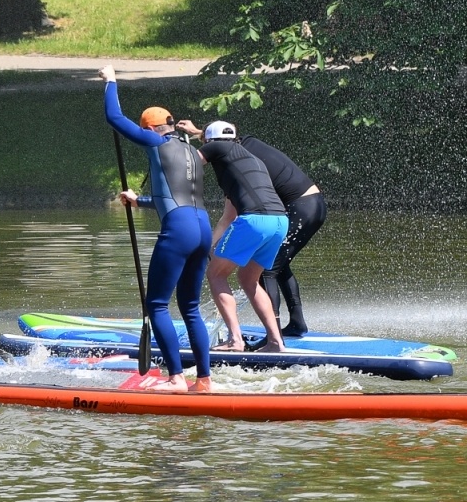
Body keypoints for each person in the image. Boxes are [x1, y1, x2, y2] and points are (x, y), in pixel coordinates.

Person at [98, 65, 211, 390]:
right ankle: (204, 381)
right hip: (202, 227)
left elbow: (114, 118)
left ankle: (176, 378)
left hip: (178, 229)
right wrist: (140, 201)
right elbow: (176, 196)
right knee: (190, 307)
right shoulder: (192, 151)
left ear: (150, 128)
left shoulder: (154, 141)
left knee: (158, 304)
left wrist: (111, 81)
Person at [176, 118, 290, 353]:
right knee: (248, 279)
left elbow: (187, 164)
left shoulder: (216, 146)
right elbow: (229, 215)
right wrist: (212, 245)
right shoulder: (248, 160)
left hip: (254, 220)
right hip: (280, 221)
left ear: (209, 141)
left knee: (215, 274)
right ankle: (275, 342)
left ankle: (235, 340)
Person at [237, 134, 326, 338]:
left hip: (302, 208)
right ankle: (297, 322)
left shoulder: (239, 161)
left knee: (265, 268)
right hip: (312, 205)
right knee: (279, 264)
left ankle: (273, 334)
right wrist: (197, 131)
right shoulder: (249, 143)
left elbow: (233, 213)